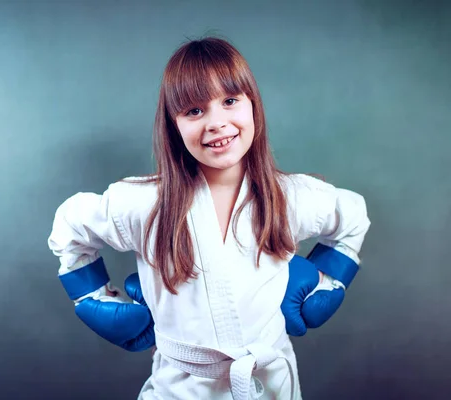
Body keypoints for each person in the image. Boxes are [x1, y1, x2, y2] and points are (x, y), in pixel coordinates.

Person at [48, 37, 370, 400]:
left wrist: (328, 278)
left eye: (230, 101)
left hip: (267, 382)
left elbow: (353, 216)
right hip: (179, 388)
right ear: (174, 124)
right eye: (194, 111)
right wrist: (93, 296)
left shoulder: (290, 197)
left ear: (253, 107)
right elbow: (71, 226)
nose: (217, 123)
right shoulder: (142, 204)